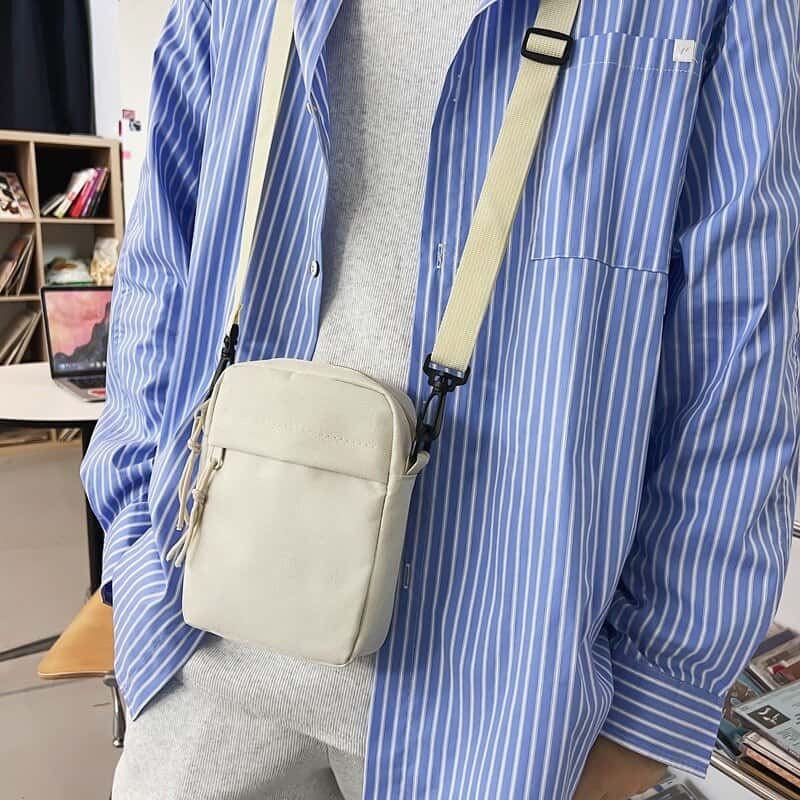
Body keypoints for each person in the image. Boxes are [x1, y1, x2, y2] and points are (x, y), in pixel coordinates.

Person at [81, 0, 800, 798]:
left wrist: (657, 697)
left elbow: (740, 348)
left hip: (504, 713)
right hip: (204, 656)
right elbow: (160, 263)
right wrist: (136, 543)